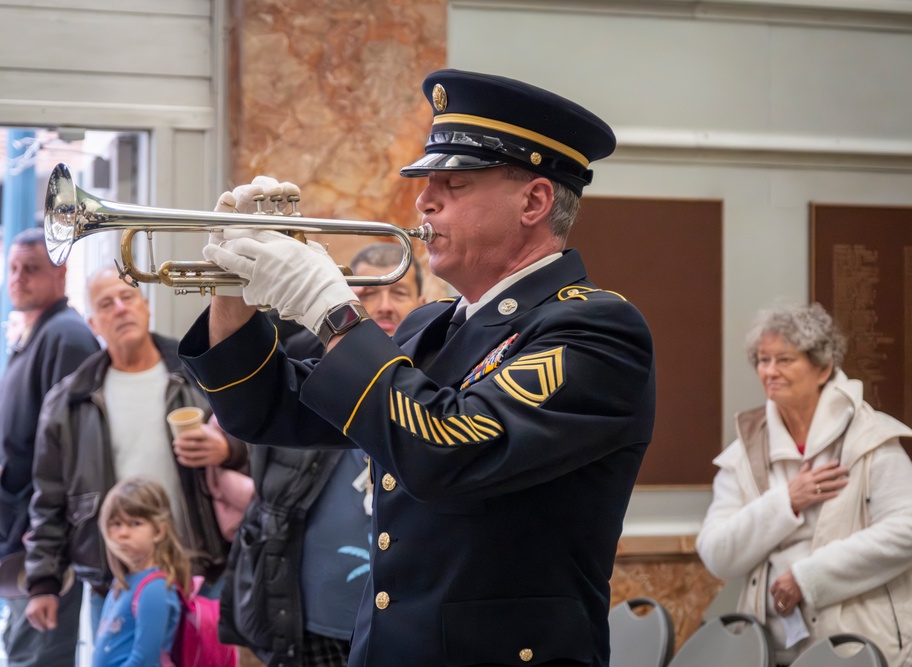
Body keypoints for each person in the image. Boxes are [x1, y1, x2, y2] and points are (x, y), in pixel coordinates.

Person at [179, 69, 656, 667]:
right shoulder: (430, 325)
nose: (422, 200)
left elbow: (448, 447)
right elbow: (265, 410)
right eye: (426, 182)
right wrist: (234, 288)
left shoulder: (596, 330)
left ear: (534, 201)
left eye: (451, 183)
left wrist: (332, 313)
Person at [220, 242, 426, 666]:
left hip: (409, 627)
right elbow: (257, 439)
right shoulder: (302, 359)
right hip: (305, 619)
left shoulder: (443, 379)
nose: (384, 307)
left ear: (423, 304)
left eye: (398, 292)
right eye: (367, 292)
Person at [23, 267, 250, 637]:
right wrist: (42, 583)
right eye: (106, 304)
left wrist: (229, 449)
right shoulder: (69, 401)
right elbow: (49, 499)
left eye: (127, 297)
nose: (120, 309)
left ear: (145, 306)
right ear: (93, 322)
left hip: (201, 570)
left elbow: (266, 443)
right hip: (117, 578)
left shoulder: (201, 375)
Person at [695, 302, 912, 666]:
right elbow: (717, 553)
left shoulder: (869, 438)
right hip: (769, 649)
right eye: (763, 360)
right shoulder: (745, 452)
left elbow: (907, 529)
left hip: (857, 649)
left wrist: (808, 576)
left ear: (823, 368)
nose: (770, 371)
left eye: (785, 360)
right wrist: (786, 503)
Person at [0, 226, 100, 666]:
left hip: (41, 541)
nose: (18, 278)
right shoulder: (38, 333)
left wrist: (46, 546)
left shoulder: (65, 336)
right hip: (21, 537)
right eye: (12, 268)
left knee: (38, 656)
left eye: (31, 269)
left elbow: (69, 454)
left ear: (60, 277)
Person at [92, 476, 188, 667]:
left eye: (135, 523)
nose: (123, 533)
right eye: (116, 523)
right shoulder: (122, 583)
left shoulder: (155, 588)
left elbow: (145, 660)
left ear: (159, 531)